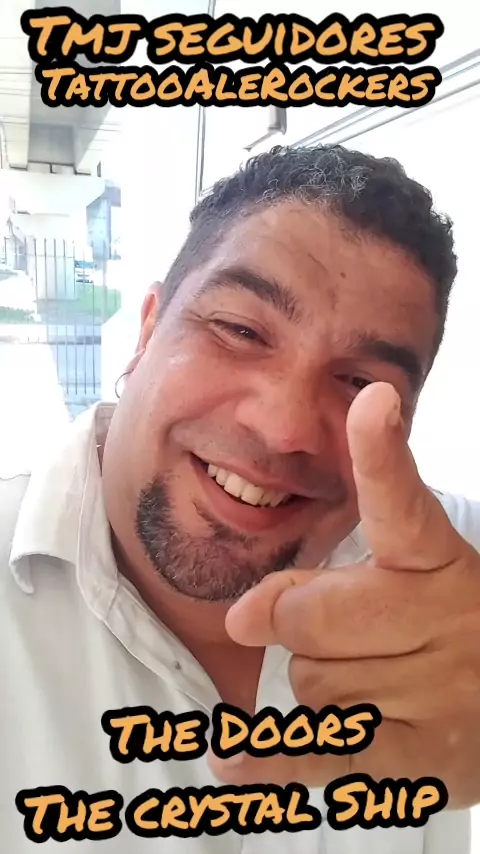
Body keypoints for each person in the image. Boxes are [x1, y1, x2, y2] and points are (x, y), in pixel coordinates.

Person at [1, 144, 480, 853]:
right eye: (240, 331)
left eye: (359, 383)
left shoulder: (463, 579)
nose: (284, 428)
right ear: (146, 331)